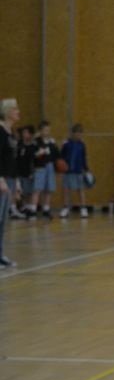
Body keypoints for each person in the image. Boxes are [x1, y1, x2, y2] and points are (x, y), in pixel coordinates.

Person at [0, 98, 20, 269]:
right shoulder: (0, 131)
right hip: (1, 180)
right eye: (15, 109)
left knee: (2, 221)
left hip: (9, 180)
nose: (18, 112)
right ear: (7, 112)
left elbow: (11, 160)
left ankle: (0, 255)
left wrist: (16, 183)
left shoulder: (11, 132)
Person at [59, 123, 91, 219]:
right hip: (67, 171)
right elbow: (61, 157)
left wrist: (86, 169)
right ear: (73, 133)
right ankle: (65, 208)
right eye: (77, 133)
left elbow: (84, 158)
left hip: (78, 170)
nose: (79, 135)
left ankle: (83, 209)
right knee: (66, 189)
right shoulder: (66, 144)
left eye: (80, 133)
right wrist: (61, 169)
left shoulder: (82, 145)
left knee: (80, 189)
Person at [29, 120, 58, 219]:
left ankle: (46, 209)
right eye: (45, 130)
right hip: (40, 167)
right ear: (40, 131)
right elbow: (33, 155)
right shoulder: (36, 142)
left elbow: (56, 155)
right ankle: (33, 209)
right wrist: (39, 153)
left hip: (50, 166)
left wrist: (54, 146)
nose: (47, 132)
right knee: (37, 189)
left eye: (48, 130)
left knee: (49, 189)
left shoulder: (52, 142)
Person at [14, 125, 35, 219]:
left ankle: (28, 208)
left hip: (28, 173)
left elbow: (33, 161)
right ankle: (21, 208)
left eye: (26, 133)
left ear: (30, 134)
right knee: (19, 191)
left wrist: (32, 173)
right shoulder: (19, 145)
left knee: (28, 192)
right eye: (23, 133)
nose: (24, 134)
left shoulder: (33, 146)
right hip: (18, 172)